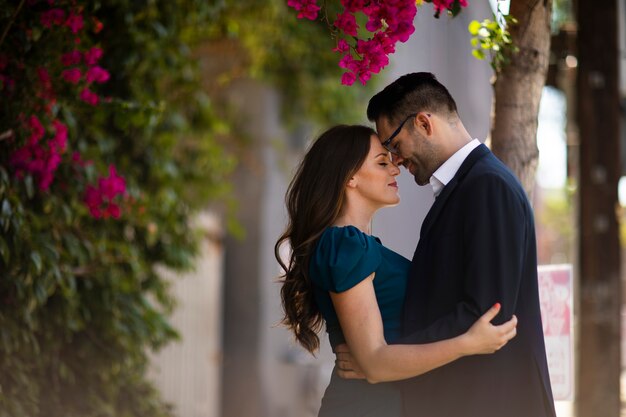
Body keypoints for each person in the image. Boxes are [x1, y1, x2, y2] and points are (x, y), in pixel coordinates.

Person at [337, 72, 557, 417]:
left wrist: (384, 357)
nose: (395, 161)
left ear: (424, 123)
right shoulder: (467, 186)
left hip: (491, 401)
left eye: (393, 145)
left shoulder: (486, 186)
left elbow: (487, 313)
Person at [275, 124, 517, 417]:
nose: (396, 169)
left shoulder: (357, 245)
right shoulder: (346, 244)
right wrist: (467, 344)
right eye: (381, 162)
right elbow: (375, 364)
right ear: (349, 177)